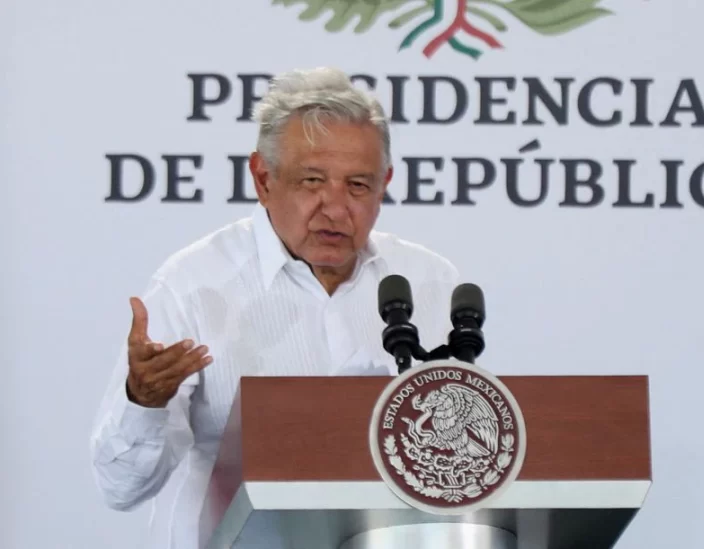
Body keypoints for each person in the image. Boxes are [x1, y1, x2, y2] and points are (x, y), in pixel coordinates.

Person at [89, 67, 460, 549]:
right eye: (312, 181)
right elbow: (120, 489)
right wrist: (144, 400)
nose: (335, 208)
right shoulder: (193, 285)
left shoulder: (429, 280)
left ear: (385, 182)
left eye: (358, 186)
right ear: (263, 179)